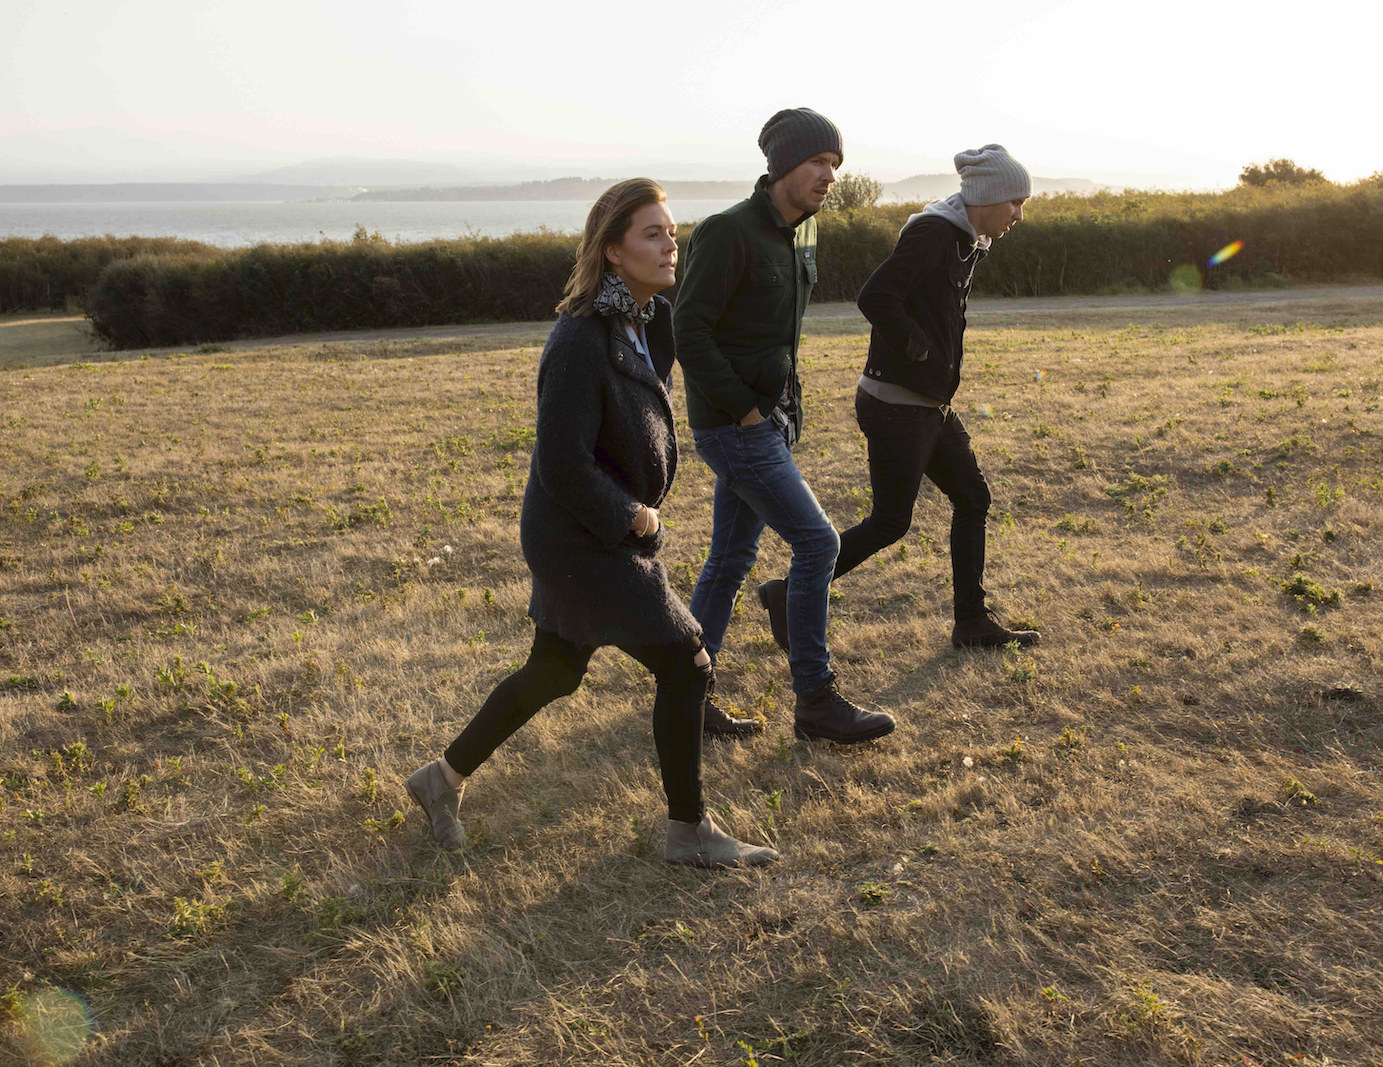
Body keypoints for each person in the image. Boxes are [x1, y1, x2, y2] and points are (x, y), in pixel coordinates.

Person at [405, 179, 776, 868]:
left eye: (671, 230)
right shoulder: (579, 339)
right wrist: (631, 512)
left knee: (554, 670)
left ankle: (441, 778)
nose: (670, 243)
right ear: (612, 251)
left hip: (602, 533)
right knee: (688, 661)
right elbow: (562, 463)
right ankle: (687, 830)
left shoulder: (647, 318)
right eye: (651, 234)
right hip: (579, 536)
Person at [756, 145, 1042, 651]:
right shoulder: (935, 235)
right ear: (987, 197)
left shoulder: (964, 238)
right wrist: (919, 349)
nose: (1020, 215)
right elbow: (875, 295)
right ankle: (787, 592)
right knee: (891, 521)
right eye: (1015, 202)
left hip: (927, 404)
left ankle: (971, 621)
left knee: (972, 497)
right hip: (896, 404)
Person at [673, 107, 894, 745]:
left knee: (731, 557)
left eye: (835, 164)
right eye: (817, 162)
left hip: (768, 421)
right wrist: (743, 409)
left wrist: (780, 405)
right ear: (781, 166)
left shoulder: (803, 232)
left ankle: (688, 692)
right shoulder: (727, 232)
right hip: (736, 428)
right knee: (819, 545)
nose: (829, 175)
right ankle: (816, 700)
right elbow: (689, 331)